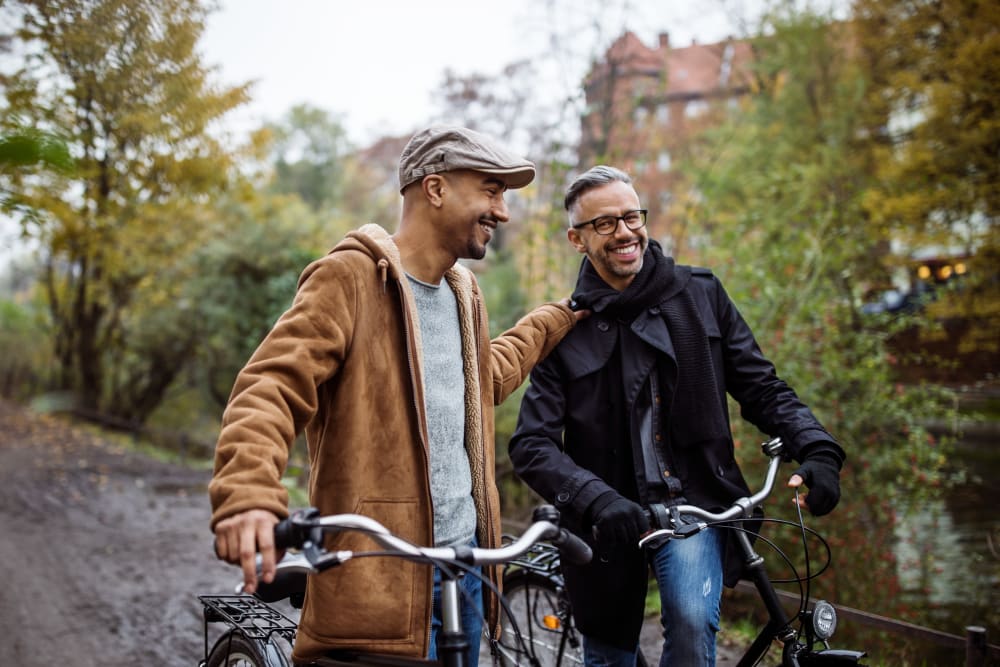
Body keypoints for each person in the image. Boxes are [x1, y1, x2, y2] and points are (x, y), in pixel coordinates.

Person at [209, 125, 584, 666]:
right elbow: (270, 388)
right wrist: (245, 495)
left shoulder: (464, 292)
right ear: (435, 189)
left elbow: (483, 377)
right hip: (381, 574)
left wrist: (558, 317)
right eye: (491, 190)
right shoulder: (351, 278)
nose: (502, 211)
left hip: (466, 570)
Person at [508, 165, 845, 666]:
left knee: (691, 620)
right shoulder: (565, 328)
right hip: (605, 522)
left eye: (630, 216)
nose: (623, 232)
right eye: (603, 224)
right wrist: (595, 500)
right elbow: (530, 445)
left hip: (693, 506)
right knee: (609, 653)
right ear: (577, 239)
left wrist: (816, 447)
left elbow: (761, 387)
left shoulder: (702, 295)